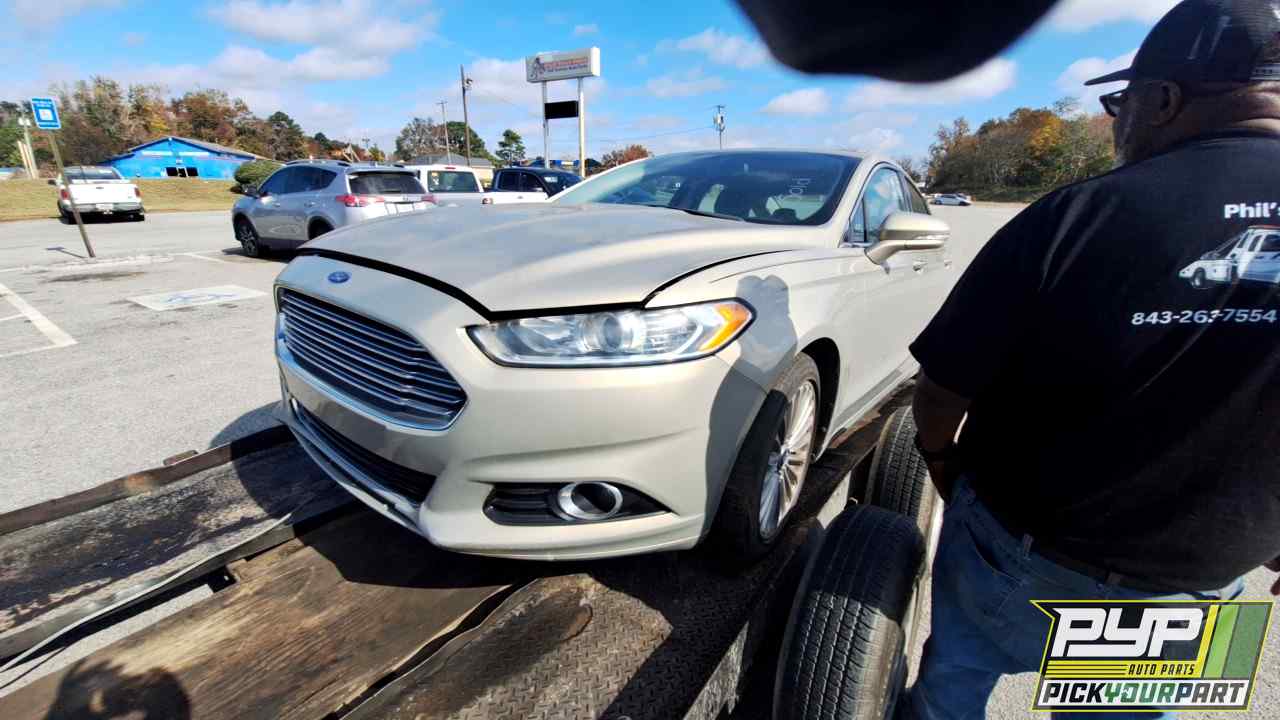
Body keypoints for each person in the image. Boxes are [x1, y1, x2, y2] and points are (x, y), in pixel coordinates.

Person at [901, 1, 1280, 718]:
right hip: (1192, 586)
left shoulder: (1075, 214)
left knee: (952, 686)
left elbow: (942, 389)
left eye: (1119, 102)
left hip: (1022, 553)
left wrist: (942, 462)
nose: (1116, 122)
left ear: (1163, 100)